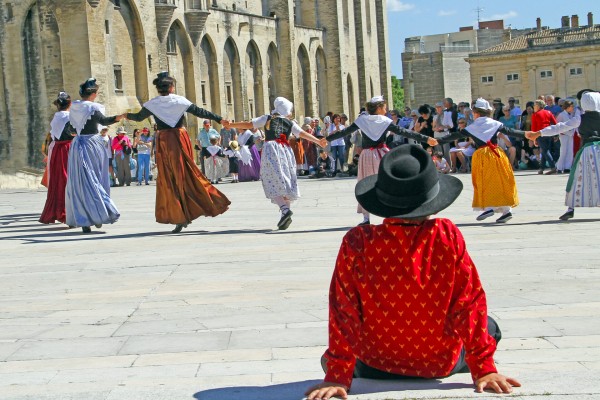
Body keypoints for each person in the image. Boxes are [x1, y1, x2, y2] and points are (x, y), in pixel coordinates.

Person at [305, 145, 521, 400]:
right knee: (490, 326)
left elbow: (344, 308)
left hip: (374, 365)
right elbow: (468, 302)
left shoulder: (357, 242)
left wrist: (337, 374)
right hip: (438, 364)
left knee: (327, 357)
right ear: (434, 203)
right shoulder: (446, 235)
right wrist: (484, 369)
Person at [125, 72, 231, 233]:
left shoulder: (152, 104)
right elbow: (200, 112)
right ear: (171, 87)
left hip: (164, 141)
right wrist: (219, 119)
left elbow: (138, 117)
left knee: (169, 177)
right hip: (179, 139)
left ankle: (180, 214)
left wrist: (123, 115)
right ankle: (205, 203)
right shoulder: (179, 100)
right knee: (187, 173)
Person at [326, 96, 437, 225]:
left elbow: (345, 131)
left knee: (365, 183)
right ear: (378, 108)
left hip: (366, 155)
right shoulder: (385, 121)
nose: (386, 110)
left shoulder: (362, 120)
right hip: (382, 154)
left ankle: (366, 218)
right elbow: (404, 132)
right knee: (390, 183)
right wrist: (426, 138)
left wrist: (327, 139)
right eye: (384, 107)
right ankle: (394, 213)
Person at [227, 97, 327, 230]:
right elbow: (302, 133)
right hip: (285, 151)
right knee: (286, 180)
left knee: (270, 179)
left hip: (271, 150)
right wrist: (318, 141)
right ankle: (285, 214)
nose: (290, 112)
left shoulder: (268, 118)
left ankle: (285, 210)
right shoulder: (290, 122)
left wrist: (231, 125)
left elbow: (249, 125)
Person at [438, 98, 528, 223]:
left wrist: (436, 141)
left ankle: (489, 207)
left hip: (483, 156)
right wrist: (529, 134)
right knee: (501, 181)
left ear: (476, 113)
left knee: (484, 181)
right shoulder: (495, 123)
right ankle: (506, 210)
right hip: (497, 154)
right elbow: (512, 132)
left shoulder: (473, 126)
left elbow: (454, 136)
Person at [528, 91, 600, 221]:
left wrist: (539, 133)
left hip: (588, 151)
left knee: (576, 179)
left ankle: (571, 209)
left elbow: (560, 127)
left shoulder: (580, 118)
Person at [65, 78, 122, 233]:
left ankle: (85, 219)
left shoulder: (75, 107)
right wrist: (119, 117)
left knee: (81, 181)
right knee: (96, 178)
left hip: (77, 145)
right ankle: (99, 213)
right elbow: (104, 120)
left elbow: (69, 128)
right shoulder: (92, 108)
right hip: (91, 144)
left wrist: (76, 133)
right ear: (93, 94)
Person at [39, 92, 76, 225]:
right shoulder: (68, 117)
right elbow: (73, 133)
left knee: (58, 180)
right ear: (70, 104)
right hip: (66, 149)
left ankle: (57, 211)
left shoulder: (56, 116)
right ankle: (67, 212)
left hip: (56, 150)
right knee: (68, 180)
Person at [532, 99, 558, 175]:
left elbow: (534, 128)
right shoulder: (549, 112)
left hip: (540, 133)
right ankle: (541, 168)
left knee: (545, 150)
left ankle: (553, 167)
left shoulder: (535, 114)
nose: (534, 107)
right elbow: (555, 123)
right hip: (549, 132)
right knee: (544, 150)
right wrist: (556, 134)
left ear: (538, 106)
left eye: (535, 105)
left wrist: (534, 138)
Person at [554, 99, 577, 173]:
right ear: (568, 107)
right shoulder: (561, 115)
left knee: (570, 151)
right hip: (564, 134)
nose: (572, 108)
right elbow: (558, 125)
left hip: (571, 134)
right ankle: (560, 167)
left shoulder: (572, 115)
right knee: (563, 151)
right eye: (571, 106)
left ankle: (567, 167)